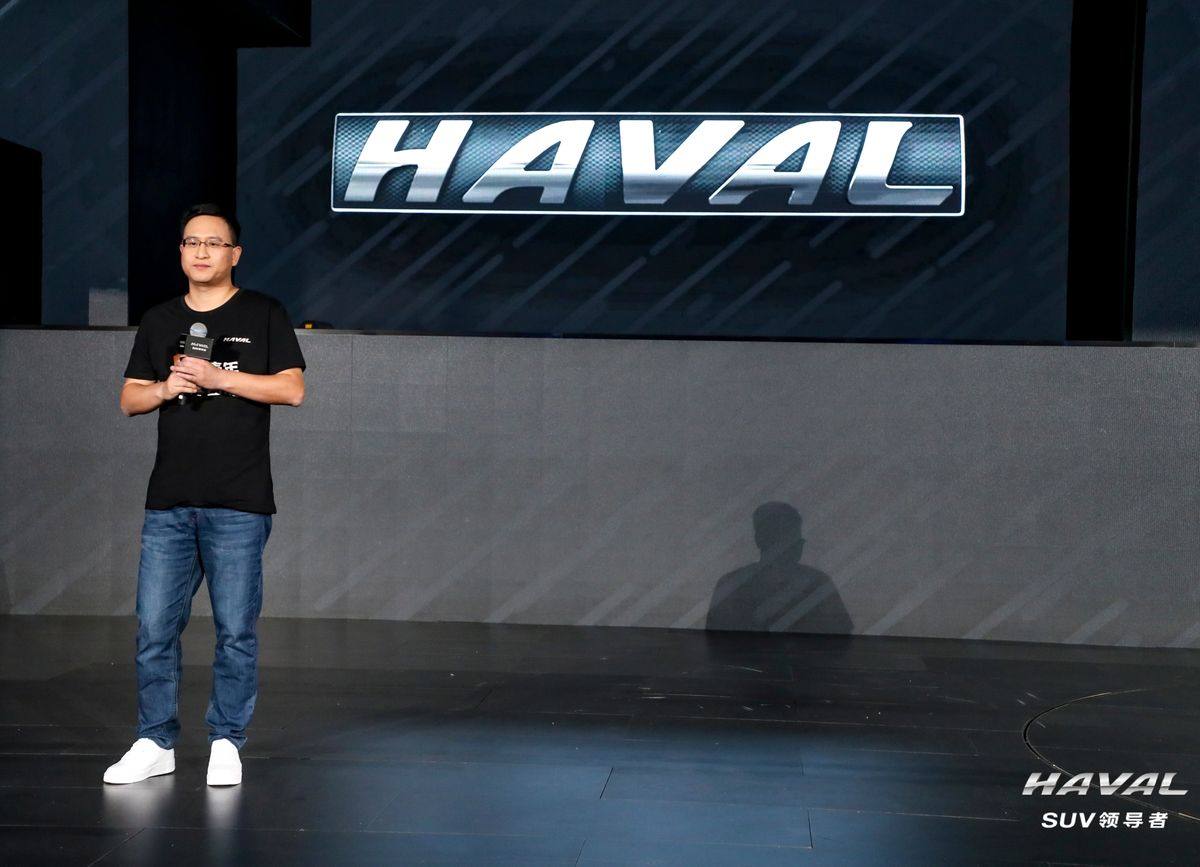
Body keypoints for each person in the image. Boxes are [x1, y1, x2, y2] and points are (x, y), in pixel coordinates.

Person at [104, 203, 306, 786]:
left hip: (238, 501)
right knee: (154, 629)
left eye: (213, 243)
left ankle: (226, 741)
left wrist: (220, 378)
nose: (201, 252)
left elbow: (293, 390)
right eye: (191, 242)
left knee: (235, 631)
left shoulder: (263, 312)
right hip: (170, 501)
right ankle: (155, 740)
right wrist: (167, 387)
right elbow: (130, 399)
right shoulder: (160, 319)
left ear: (233, 254)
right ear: (181, 252)